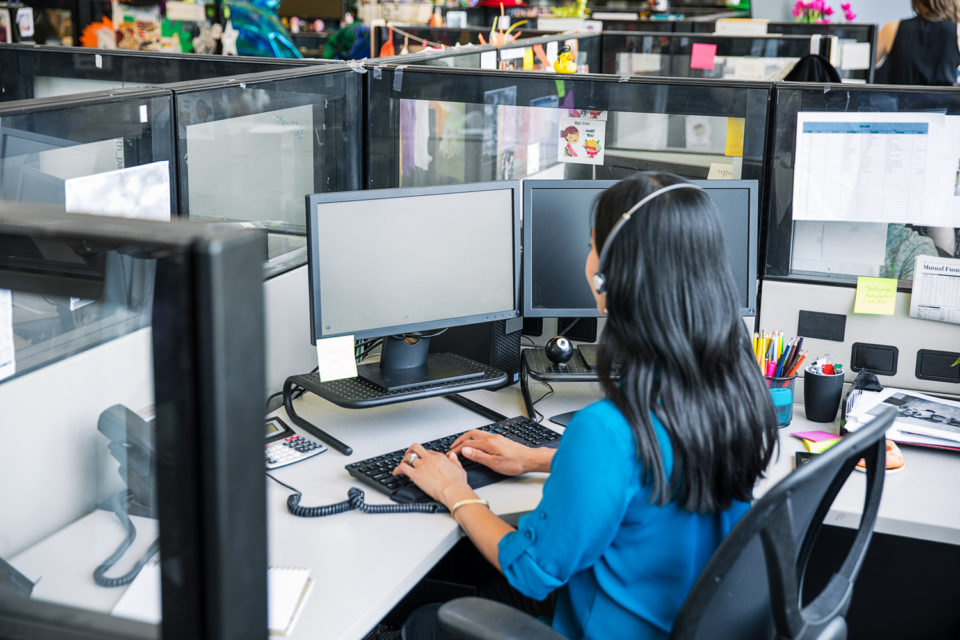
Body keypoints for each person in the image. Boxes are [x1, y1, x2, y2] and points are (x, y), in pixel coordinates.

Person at [394, 172, 779, 639]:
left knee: (422, 623)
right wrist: (536, 458)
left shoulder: (608, 429)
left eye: (592, 245)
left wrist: (455, 491)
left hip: (606, 627)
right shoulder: (735, 392)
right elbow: (658, 475)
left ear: (608, 277)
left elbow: (532, 570)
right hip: (674, 618)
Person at [875, 0, 960, 86]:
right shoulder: (957, 30)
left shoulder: (892, 28)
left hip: (901, 98)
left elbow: (865, 68)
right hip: (945, 99)